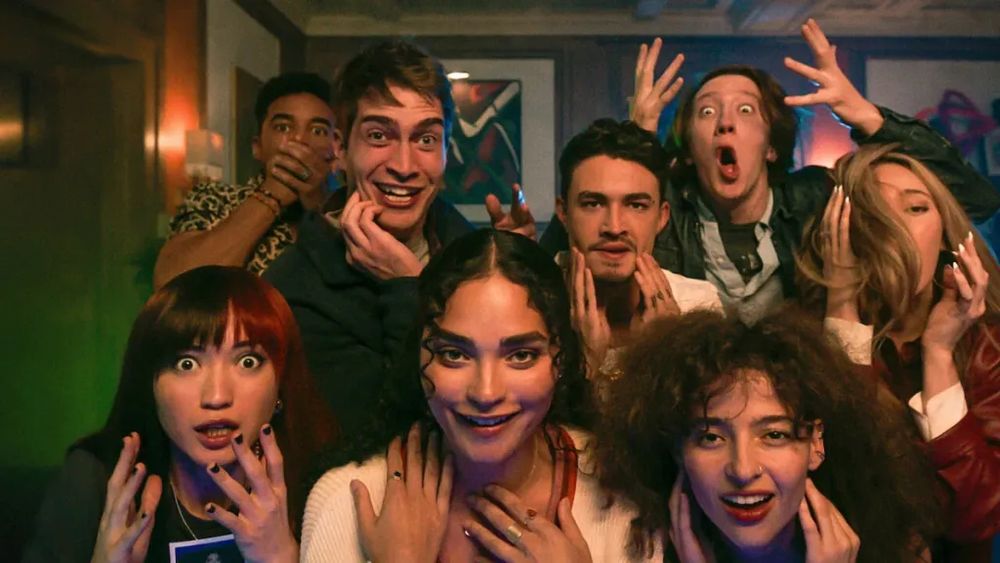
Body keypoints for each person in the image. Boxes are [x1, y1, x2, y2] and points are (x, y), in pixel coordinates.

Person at [540, 20, 1000, 324]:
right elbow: (565, 254)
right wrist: (637, 144)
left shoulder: (818, 199)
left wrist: (866, 117)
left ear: (772, 145)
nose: (725, 123)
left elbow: (975, 200)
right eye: (706, 112)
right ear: (689, 149)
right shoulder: (662, 213)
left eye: (745, 110)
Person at [300, 229, 654, 562]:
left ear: (560, 358)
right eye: (455, 354)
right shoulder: (347, 500)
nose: (486, 393)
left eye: (520, 355)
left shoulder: (621, 494)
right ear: (418, 356)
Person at [264, 40, 535, 437]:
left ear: (445, 152)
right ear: (340, 149)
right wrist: (408, 289)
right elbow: (384, 432)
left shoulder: (467, 251)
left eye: (425, 139)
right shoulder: (293, 287)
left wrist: (512, 274)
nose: (405, 166)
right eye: (379, 136)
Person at [23, 266, 337, 563]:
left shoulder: (325, 485)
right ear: (151, 383)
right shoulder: (94, 481)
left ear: (281, 383)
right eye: (187, 364)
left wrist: (281, 558)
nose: (216, 397)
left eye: (247, 362)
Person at [595, 309, 940, 562]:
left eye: (774, 435)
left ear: (816, 443)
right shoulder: (638, 552)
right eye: (712, 438)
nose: (743, 470)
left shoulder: (898, 549)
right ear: (677, 450)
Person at [797, 144, 1000, 560]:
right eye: (875, 212)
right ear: (844, 232)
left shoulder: (988, 345)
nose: (895, 228)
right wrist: (842, 306)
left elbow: (977, 517)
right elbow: (841, 490)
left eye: (915, 208)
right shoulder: (802, 338)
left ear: (945, 235)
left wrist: (939, 353)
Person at [555, 118, 721, 381]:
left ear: (662, 218)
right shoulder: (530, 305)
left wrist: (665, 348)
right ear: (563, 213)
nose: (614, 227)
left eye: (636, 205)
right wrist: (585, 362)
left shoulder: (697, 306)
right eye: (593, 204)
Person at [156, 73, 339, 288]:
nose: (299, 140)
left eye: (318, 131)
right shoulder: (215, 200)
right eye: (283, 127)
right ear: (257, 147)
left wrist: (318, 205)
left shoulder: (351, 212)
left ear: (338, 150)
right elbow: (174, 287)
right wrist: (271, 196)